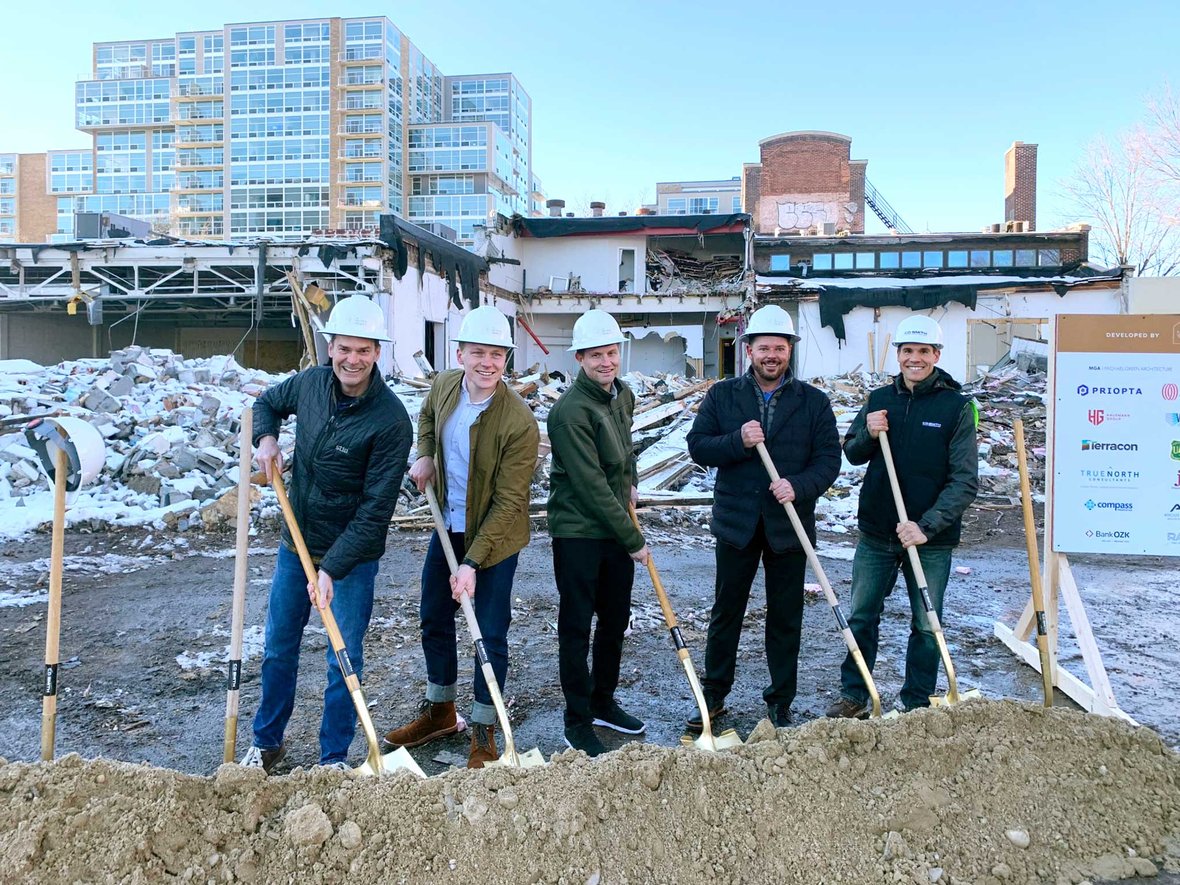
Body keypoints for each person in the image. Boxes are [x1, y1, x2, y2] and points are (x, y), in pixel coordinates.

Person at [242, 295, 411, 772]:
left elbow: (377, 511)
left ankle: (333, 757)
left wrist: (333, 568)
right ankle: (267, 741)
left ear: (377, 352)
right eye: (343, 349)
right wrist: (267, 438)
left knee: (343, 657)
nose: (351, 360)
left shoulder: (391, 421)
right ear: (330, 348)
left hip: (351, 558)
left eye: (363, 350)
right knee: (278, 647)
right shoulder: (312, 384)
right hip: (296, 544)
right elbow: (267, 402)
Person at [381, 305, 539, 768]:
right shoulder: (445, 385)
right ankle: (441, 711)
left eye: (497, 354)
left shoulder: (519, 422)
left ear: (507, 359)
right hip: (447, 525)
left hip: (495, 535)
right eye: (478, 353)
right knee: (434, 614)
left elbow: (510, 503)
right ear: (461, 353)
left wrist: (472, 563)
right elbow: (427, 417)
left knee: (488, 631)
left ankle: (485, 723)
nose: (487, 363)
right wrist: (426, 455)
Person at [686, 304, 841, 729]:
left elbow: (829, 461)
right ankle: (714, 696)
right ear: (748, 350)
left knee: (785, 616)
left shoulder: (813, 403)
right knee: (726, 613)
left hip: (788, 527)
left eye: (780, 347)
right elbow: (698, 446)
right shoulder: (723, 396)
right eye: (763, 347)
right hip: (736, 525)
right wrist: (737, 439)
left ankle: (780, 700)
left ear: (789, 350)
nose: (772, 355)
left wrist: (799, 486)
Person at [826, 314, 979, 719]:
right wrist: (868, 434)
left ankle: (917, 704)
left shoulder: (957, 407)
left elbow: (964, 482)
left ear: (936, 355)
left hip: (930, 539)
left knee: (927, 624)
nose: (915, 359)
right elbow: (854, 454)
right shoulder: (879, 400)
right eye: (907, 351)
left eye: (923, 351)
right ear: (898, 354)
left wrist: (925, 527)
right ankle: (855, 695)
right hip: (877, 531)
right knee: (862, 616)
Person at [547, 309, 650, 757]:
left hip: (613, 523)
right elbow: (589, 485)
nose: (606, 362)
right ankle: (577, 718)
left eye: (611, 352)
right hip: (579, 532)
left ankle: (603, 700)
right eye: (596, 355)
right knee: (576, 624)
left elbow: (623, 455)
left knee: (615, 619)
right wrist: (634, 539)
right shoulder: (569, 412)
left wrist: (631, 481)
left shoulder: (620, 396)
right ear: (580, 358)